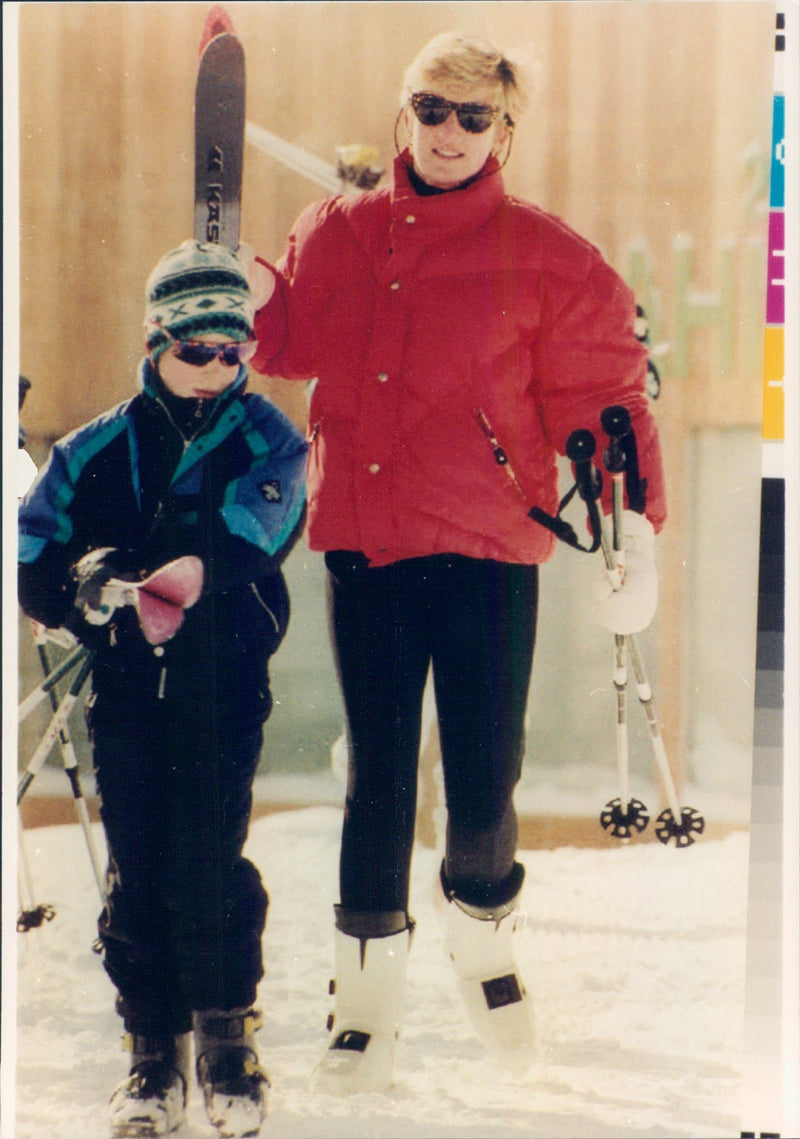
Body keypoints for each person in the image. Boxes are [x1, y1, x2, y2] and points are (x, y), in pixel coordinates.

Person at [246, 30, 666, 1092]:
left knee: (484, 775)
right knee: (378, 774)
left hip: (486, 547)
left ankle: (482, 938)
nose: (446, 132)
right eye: (430, 109)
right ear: (404, 114)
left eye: (471, 116)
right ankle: (365, 996)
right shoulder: (333, 231)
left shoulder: (547, 254)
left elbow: (602, 394)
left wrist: (632, 523)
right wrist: (239, 284)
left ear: (503, 132)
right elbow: (287, 339)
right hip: (370, 542)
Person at [18, 240, 308, 1138]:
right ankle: (151, 1048)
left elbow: (257, 530)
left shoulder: (269, 435)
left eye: (234, 351)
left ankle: (227, 1038)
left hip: (221, 675)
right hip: (128, 681)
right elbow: (35, 552)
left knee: (206, 853)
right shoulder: (93, 448)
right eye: (196, 350)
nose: (216, 368)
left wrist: (179, 572)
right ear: (156, 343)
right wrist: (84, 580)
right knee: (138, 857)